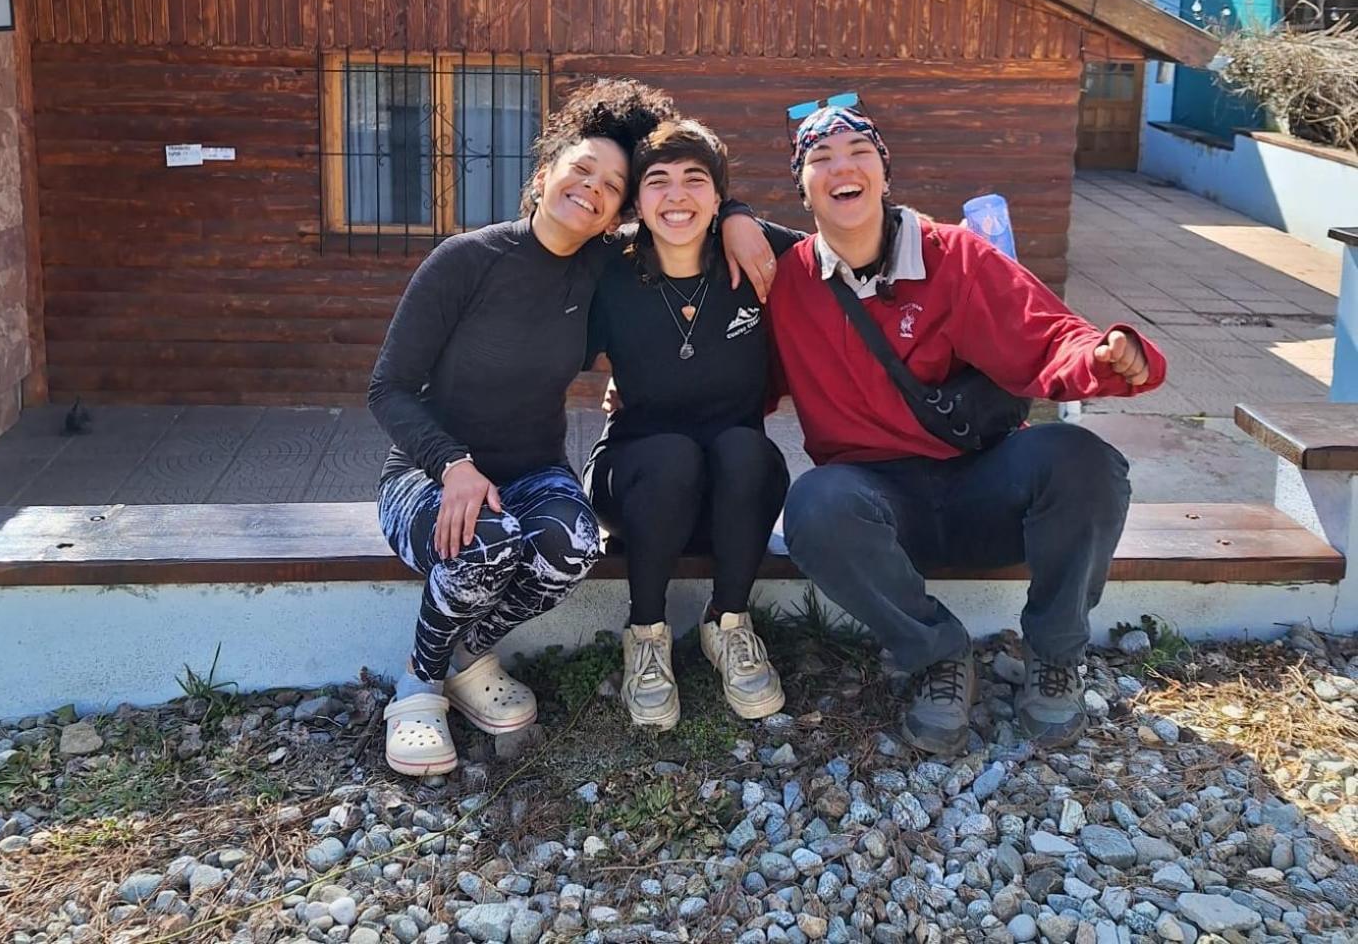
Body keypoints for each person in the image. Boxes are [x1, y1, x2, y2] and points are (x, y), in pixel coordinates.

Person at [369, 80, 776, 777]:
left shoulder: (601, 267)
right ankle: (420, 678)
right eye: (580, 169)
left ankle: (472, 656)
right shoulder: (467, 259)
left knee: (576, 543)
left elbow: (681, 199)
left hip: (531, 470)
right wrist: (452, 465)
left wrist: (735, 211)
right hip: (428, 471)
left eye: (612, 184)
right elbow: (389, 388)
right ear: (543, 174)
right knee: (483, 541)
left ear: (619, 211)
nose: (592, 188)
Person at [768, 102, 1165, 756]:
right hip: (879, 504)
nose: (843, 167)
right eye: (821, 159)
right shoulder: (790, 284)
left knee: (1084, 461)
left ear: (884, 173)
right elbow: (742, 373)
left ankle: (1057, 653)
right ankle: (938, 655)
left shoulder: (954, 254)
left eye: (859, 153)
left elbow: (1049, 335)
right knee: (815, 504)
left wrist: (1103, 355)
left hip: (982, 480)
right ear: (802, 186)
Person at [584, 119, 792, 730]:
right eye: (658, 181)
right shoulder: (608, 268)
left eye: (694, 180)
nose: (677, 196)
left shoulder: (755, 250)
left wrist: (743, 215)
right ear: (637, 200)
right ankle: (646, 634)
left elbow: (847, 248)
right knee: (673, 454)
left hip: (731, 492)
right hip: (638, 480)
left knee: (748, 451)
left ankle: (728, 624)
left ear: (719, 195)